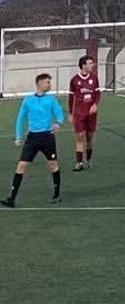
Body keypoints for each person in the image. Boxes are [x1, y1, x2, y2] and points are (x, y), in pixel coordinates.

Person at [2, 73, 65, 207]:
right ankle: (11, 198)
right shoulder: (28, 100)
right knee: (21, 165)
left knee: (53, 165)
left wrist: (58, 122)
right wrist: (18, 136)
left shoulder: (51, 99)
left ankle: (57, 194)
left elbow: (59, 112)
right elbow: (20, 119)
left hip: (47, 137)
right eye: (47, 82)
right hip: (33, 138)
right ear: (40, 83)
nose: (49, 85)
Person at [67, 55, 101, 171]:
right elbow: (71, 97)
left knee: (89, 137)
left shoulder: (94, 78)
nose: (92, 65)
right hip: (79, 113)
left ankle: (89, 160)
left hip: (91, 113)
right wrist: (71, 113)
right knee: (80, 136)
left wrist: (95, 104)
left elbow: (97, 93)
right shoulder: (75, 80)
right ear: (83, 65)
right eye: (90, 63)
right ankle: (79, 163)